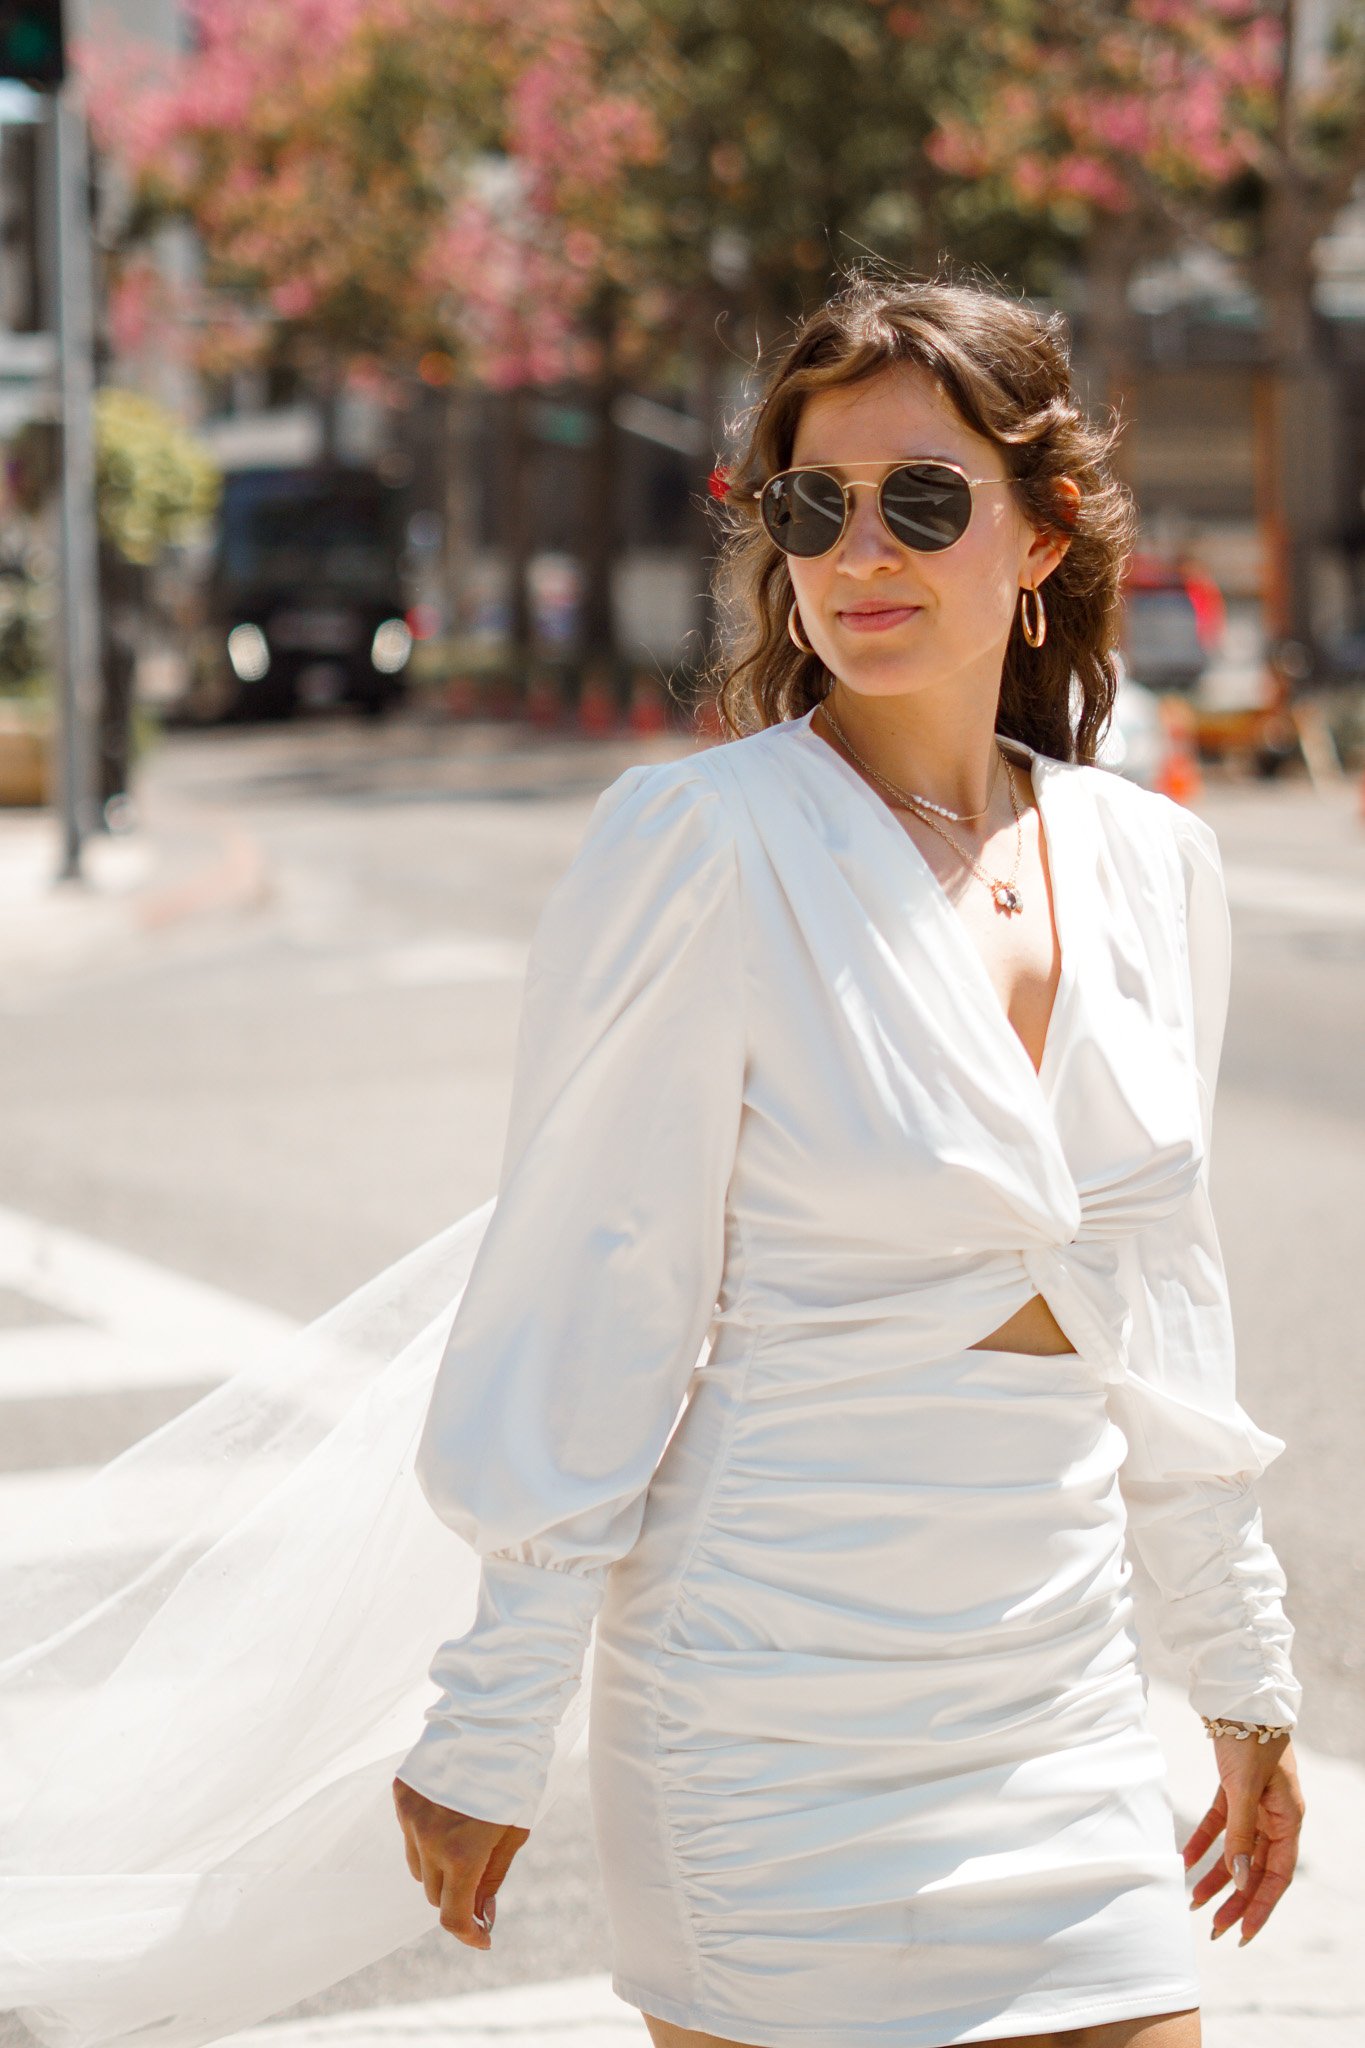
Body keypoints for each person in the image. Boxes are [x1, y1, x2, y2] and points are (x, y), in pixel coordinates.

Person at [388, 270, 1304, 2048]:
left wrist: (1244, 1681)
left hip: (1054, 1706)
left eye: (923, 500)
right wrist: (492, 1719)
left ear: (1040, 539)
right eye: (812, 506)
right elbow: (592, 1297)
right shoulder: (699, 845)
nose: (858, 551)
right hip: (768, 1718)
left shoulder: (1147, 864)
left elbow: (1162, 1312)